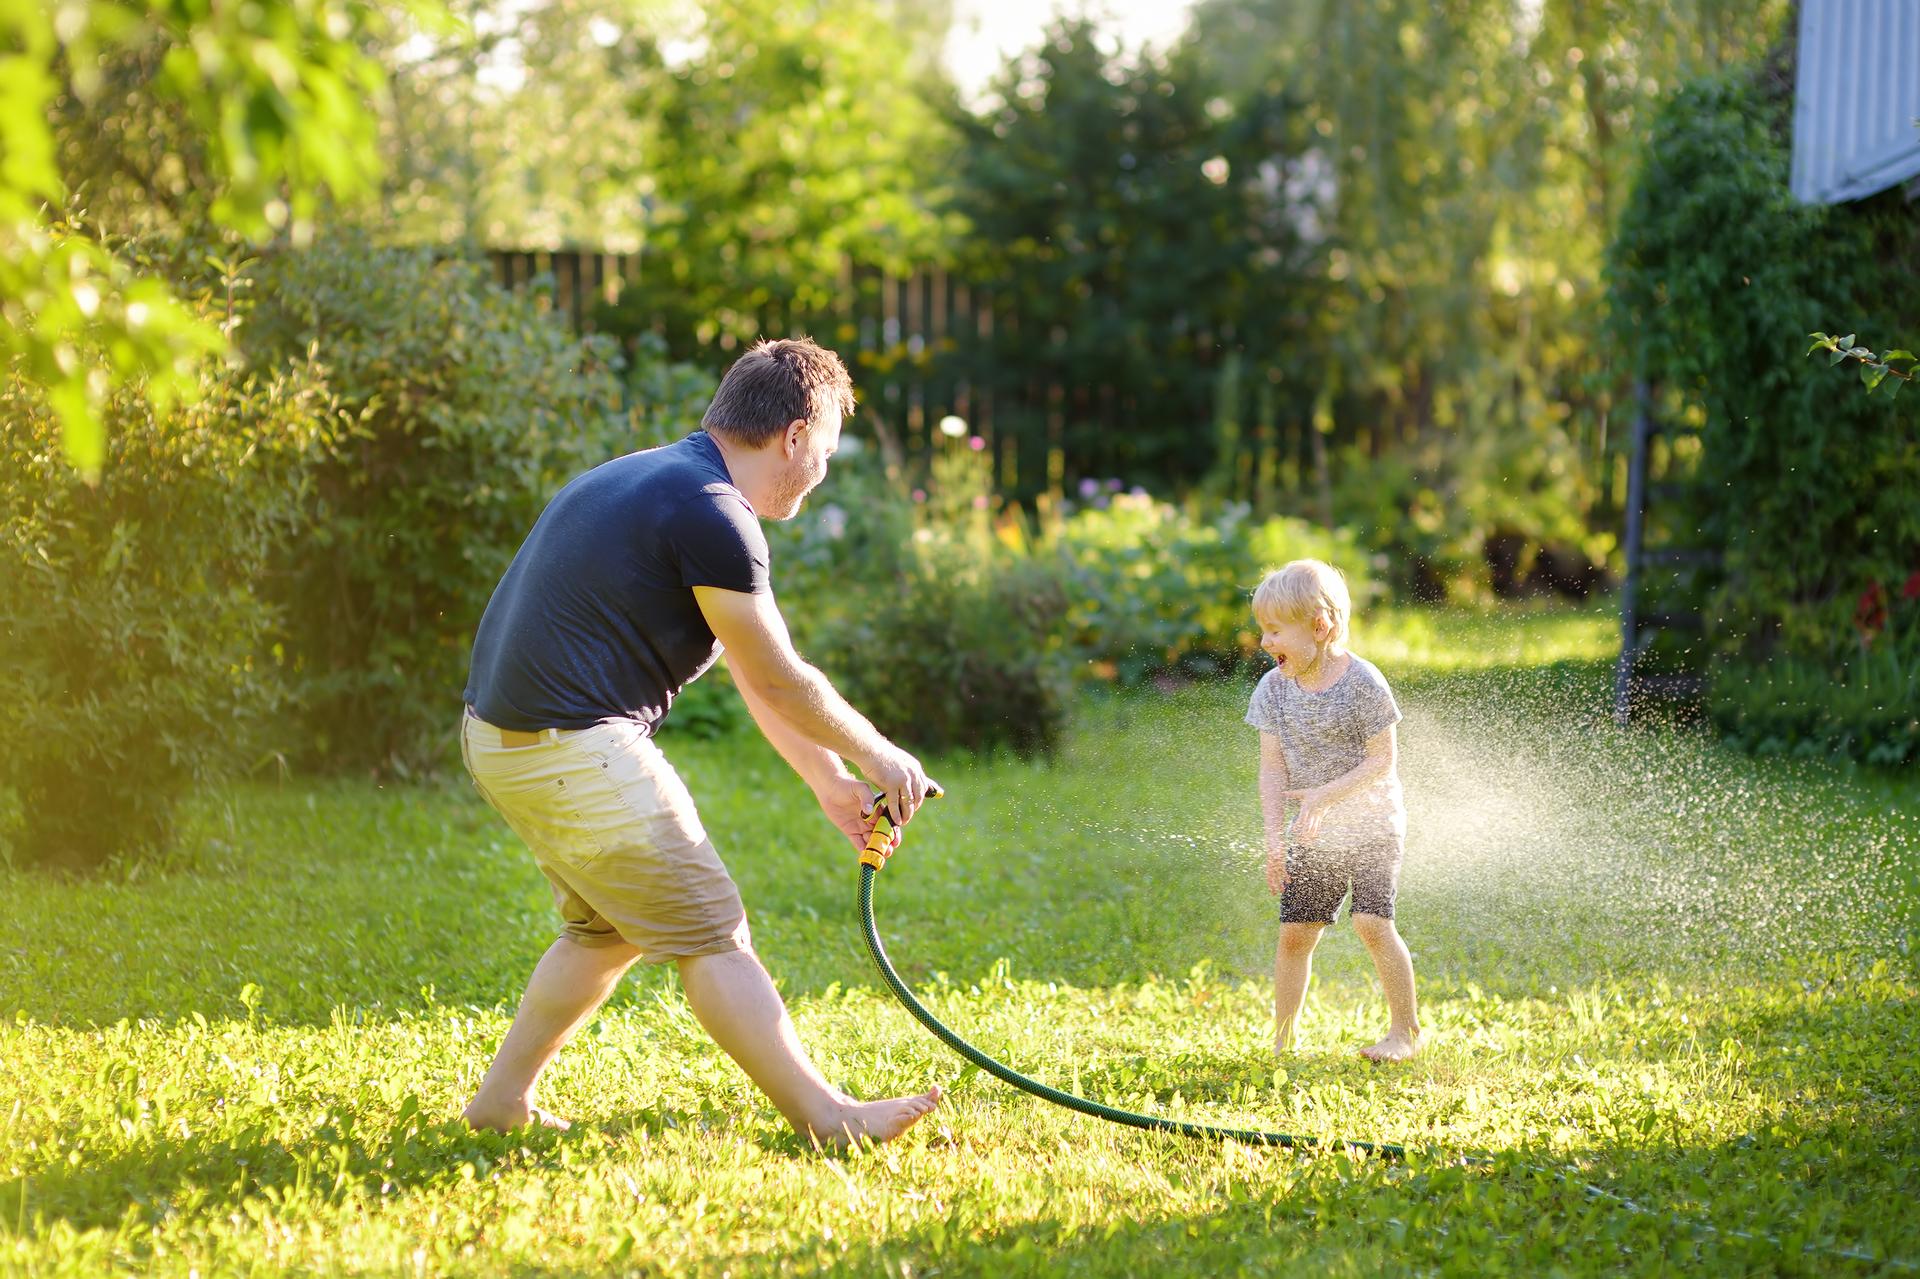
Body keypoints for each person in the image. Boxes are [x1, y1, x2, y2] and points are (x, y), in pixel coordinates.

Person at [458, 337, 940, 1146]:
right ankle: (829, 1118)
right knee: (714, 933)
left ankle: (501, 1102)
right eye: (822, 451)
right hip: (574, 744)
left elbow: (757, 677)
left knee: (605, 929)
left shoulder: (656, 479)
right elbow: (786, 677)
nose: (821, 470)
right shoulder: (714, 514)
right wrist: (881, 755)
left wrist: (828, 780)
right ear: (792, 436)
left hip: (503, 741)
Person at [1246, 559, 1421, 1062]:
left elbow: (1384, 760)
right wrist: (1274, 840)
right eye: (1263, 630)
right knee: (1296, 933)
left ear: (1319, 628)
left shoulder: (1363, 682)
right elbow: (1273, 771)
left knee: (1372, 924)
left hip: (1372, 827)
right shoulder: (1273, 689)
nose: (1264, 642)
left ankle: (1404, 1034)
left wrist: (1325, 795)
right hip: (1311, 834)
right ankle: (1282, 1042)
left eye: (1275, 630)